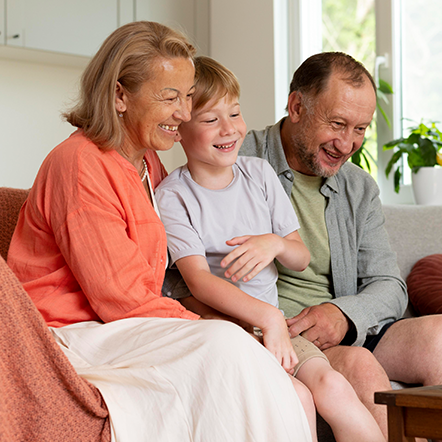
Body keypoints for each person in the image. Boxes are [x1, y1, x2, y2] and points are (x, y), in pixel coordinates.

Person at [5, 21, 311, 441]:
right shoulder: (79, 164)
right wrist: (210, 324)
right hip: (71, 334)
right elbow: (122, 299)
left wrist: (221, 319)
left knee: (239, 353)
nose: (184, 114)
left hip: (124, 328)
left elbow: (162, 282)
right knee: (225, 346)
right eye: (170, 97)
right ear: (119, 96)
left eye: (187, 97)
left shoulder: (148, 164)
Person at [172, 51, 442, 436]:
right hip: (282, 331)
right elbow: (178, 279)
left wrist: (343, 314)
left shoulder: (358, 187)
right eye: (337, 124)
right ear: (297, 106)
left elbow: (389, 286)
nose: (347, 143)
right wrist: (255, 323)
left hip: (348, 327)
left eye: (361, 129)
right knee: (359, 365)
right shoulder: (233, 157)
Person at [155, 56, 385, 442]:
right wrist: (268, 319)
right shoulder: (173, 196)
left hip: (276, 326)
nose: (228, 129)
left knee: (334, 387)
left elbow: (300, 256)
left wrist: (275, 243)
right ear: (179, 128)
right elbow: (197, 283)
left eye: (235, 114)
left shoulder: (258, 173)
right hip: (234, 330)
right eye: (211, 120)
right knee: (295, 399)